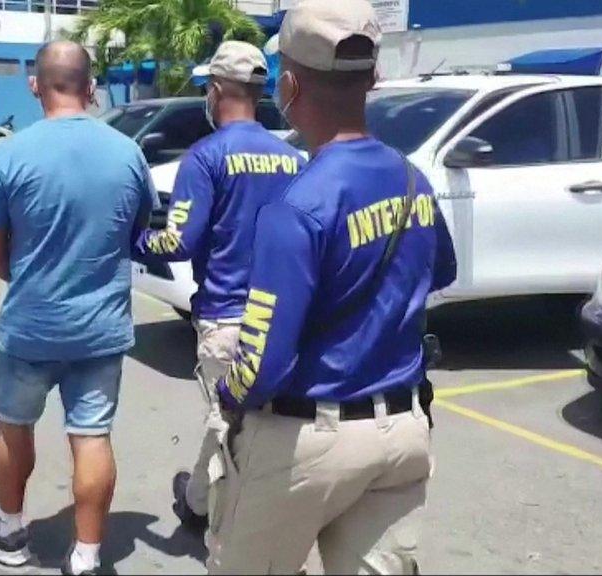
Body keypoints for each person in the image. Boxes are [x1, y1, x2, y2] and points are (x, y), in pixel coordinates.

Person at [207, 0, 458, 573]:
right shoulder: (411, 178)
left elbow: (264, 362)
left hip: (308, 445)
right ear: (372, 79)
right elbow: (441, 272)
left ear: (289, 85)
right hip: (402, 436)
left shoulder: (297, 206)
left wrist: (228, 398)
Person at [0, 41, 156, 576]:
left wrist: (29, 277)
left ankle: (8, 533)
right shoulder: (127, 152)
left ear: (34, 85)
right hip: (101, 328)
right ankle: (88, 558)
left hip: (30, 325)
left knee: (13, 426)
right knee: (92, 436)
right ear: (91, 87)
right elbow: (135, 233)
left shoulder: (8, 155)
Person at [132, 41, 306, 533]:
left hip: (227, 319)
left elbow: (178, 241)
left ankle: (233, 532)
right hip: (283, 319)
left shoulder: (207, 157)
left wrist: (132, 239)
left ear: (216, 91)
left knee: (229, 426)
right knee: (258, 425)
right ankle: (197, 501)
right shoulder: (292, 157)